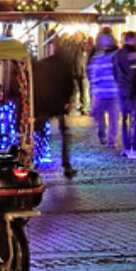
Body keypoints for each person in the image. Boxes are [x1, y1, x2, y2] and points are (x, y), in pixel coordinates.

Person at [32, 42, 83, 178]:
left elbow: (36, 83)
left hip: (43, 103)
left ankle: (36, 159)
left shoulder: (43, 64)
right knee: (64, 134)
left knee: (40, 132)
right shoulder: (65, 66)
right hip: (59, 103)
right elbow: (70, 85)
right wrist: (68, 100)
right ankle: (66, 164)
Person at [113, 33, 136, 159]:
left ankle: (126, 147)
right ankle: (135, 148)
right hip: (133, 89)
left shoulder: (118, 54)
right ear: (132, 40)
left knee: (124, 119)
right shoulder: (134, 55)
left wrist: (120, 84)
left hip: (121, 89)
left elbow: (115, 72)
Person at [87, 30, 120, 147]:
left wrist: (94, 87)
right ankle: (111, 140)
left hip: (101, 92)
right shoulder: (116, 56)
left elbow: (92, 74)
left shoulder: (97, 58)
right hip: (113, 91)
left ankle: (103, 136)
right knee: (113, 118)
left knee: (98, 114)